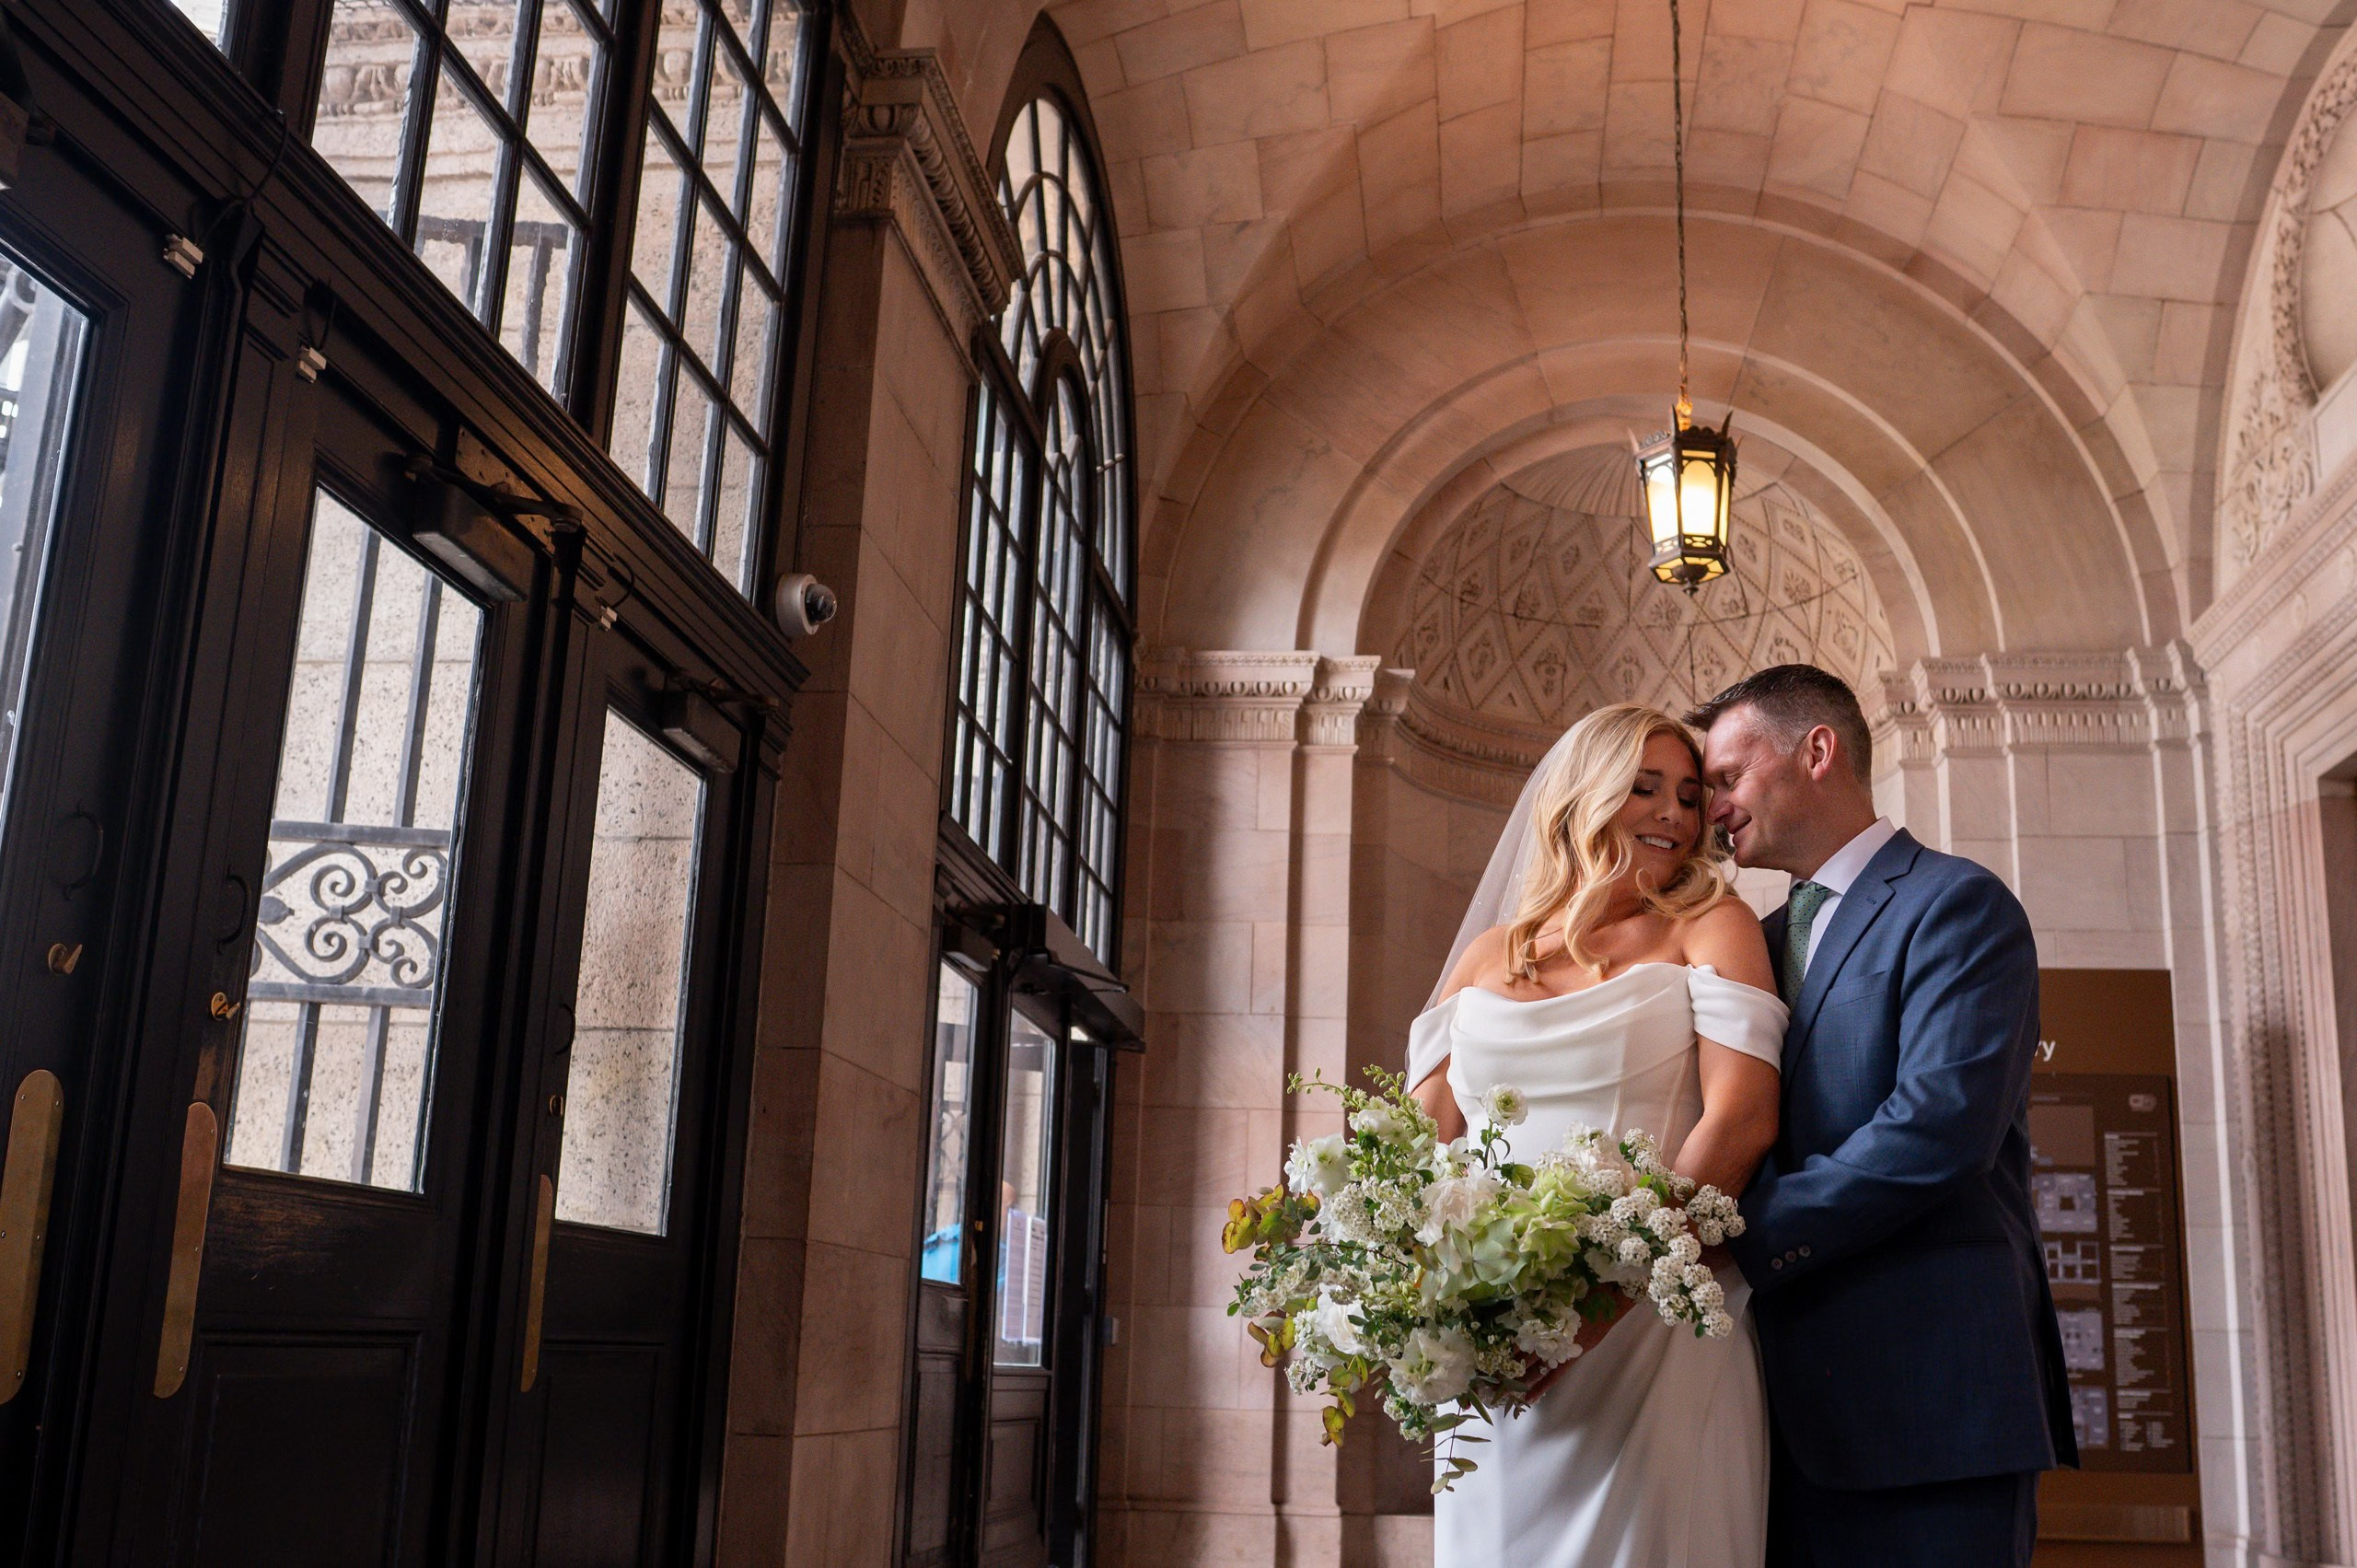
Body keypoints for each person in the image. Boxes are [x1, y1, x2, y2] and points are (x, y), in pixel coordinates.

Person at [1688, 664, 2076, 1568]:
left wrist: (1723, 1236)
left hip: (1931, 1409)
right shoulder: (1755, 938)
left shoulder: (1956, 903)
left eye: (1727, 777)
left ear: (1815, 751)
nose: (1714, 809)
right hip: (1772, 1418)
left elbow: (1937, 1129)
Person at [1408, 703, 1788, 1568]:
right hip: (1495, 1333)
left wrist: (1596, 1304)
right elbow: (1420, 1146)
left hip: (1650, 1319)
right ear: (1581, 794)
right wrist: (1428, 1308)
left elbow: (1742, 1118)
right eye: (1644, 787)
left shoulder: (1710, 923)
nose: (1674, 814)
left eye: (1690, 796)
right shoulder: (1486, 955)